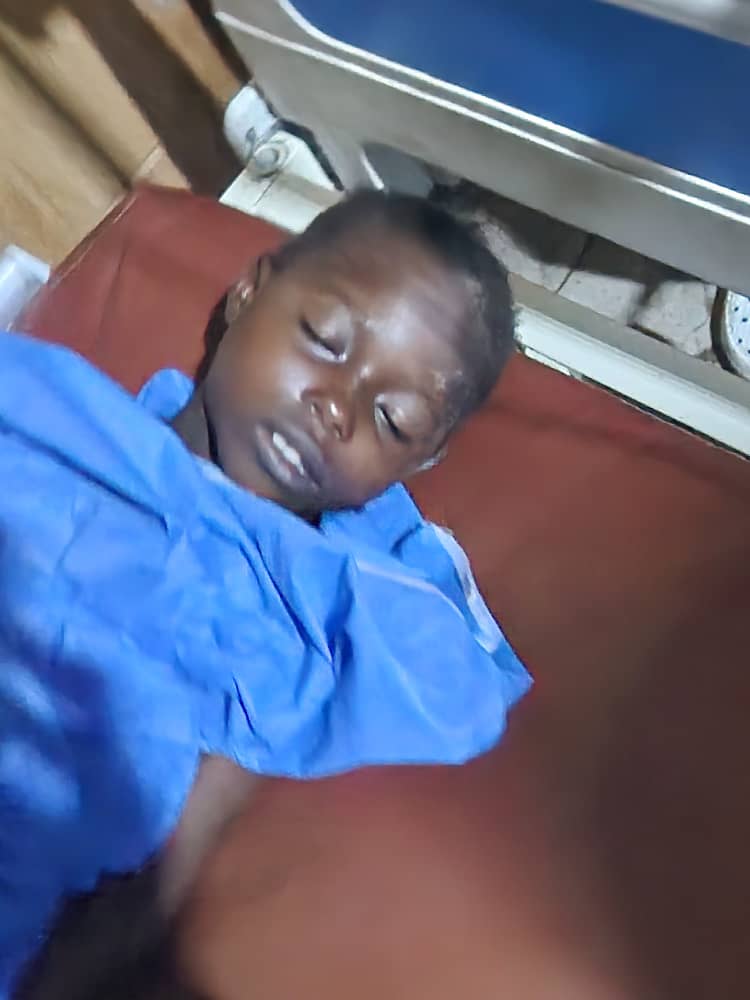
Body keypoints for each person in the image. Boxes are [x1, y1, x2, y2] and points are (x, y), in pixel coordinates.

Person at [1, 191, 531, 998]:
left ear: (421, 464)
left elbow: (458, 687)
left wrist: (372, 518)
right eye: (324, 340)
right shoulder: (55, 411)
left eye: (392, 420)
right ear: (249, 292)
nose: (336, 408)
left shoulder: (301, 610)